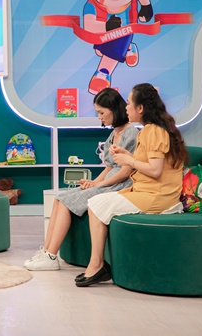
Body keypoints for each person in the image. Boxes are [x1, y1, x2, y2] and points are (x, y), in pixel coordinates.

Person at [76, 83, 188, 287]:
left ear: (140, 108)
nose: (125, 107)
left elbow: (155, 170)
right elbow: (148, 162)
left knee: (96, 204)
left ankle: (96, 265)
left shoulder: (153, 131)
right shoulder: (149, 130)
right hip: (146, 190)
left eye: (128, 103)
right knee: (96, 202)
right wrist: (126, 154)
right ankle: (97, 264)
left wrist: (129, 160)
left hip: (156, 196)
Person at [24, 88, 138, 271]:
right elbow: (109, 166)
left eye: (102, 112)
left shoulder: (130, 132)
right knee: (60, 198)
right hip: (108, 182)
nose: (99, 117)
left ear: (114, 109)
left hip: (119, 185)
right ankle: (46, 252)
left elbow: (125, 172)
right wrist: (93, 183)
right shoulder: (114, 133)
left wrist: (99, 184)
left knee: (66, 201)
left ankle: (51, 255)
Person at [83, 0, 153, 94]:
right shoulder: (91, 6)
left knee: (118, 42)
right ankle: (129, 48)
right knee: (100, 51)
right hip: (102, 37)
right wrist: (107, 26)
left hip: (124, 32)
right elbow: (89, 26)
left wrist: (146, 7)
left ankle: (102, 73)